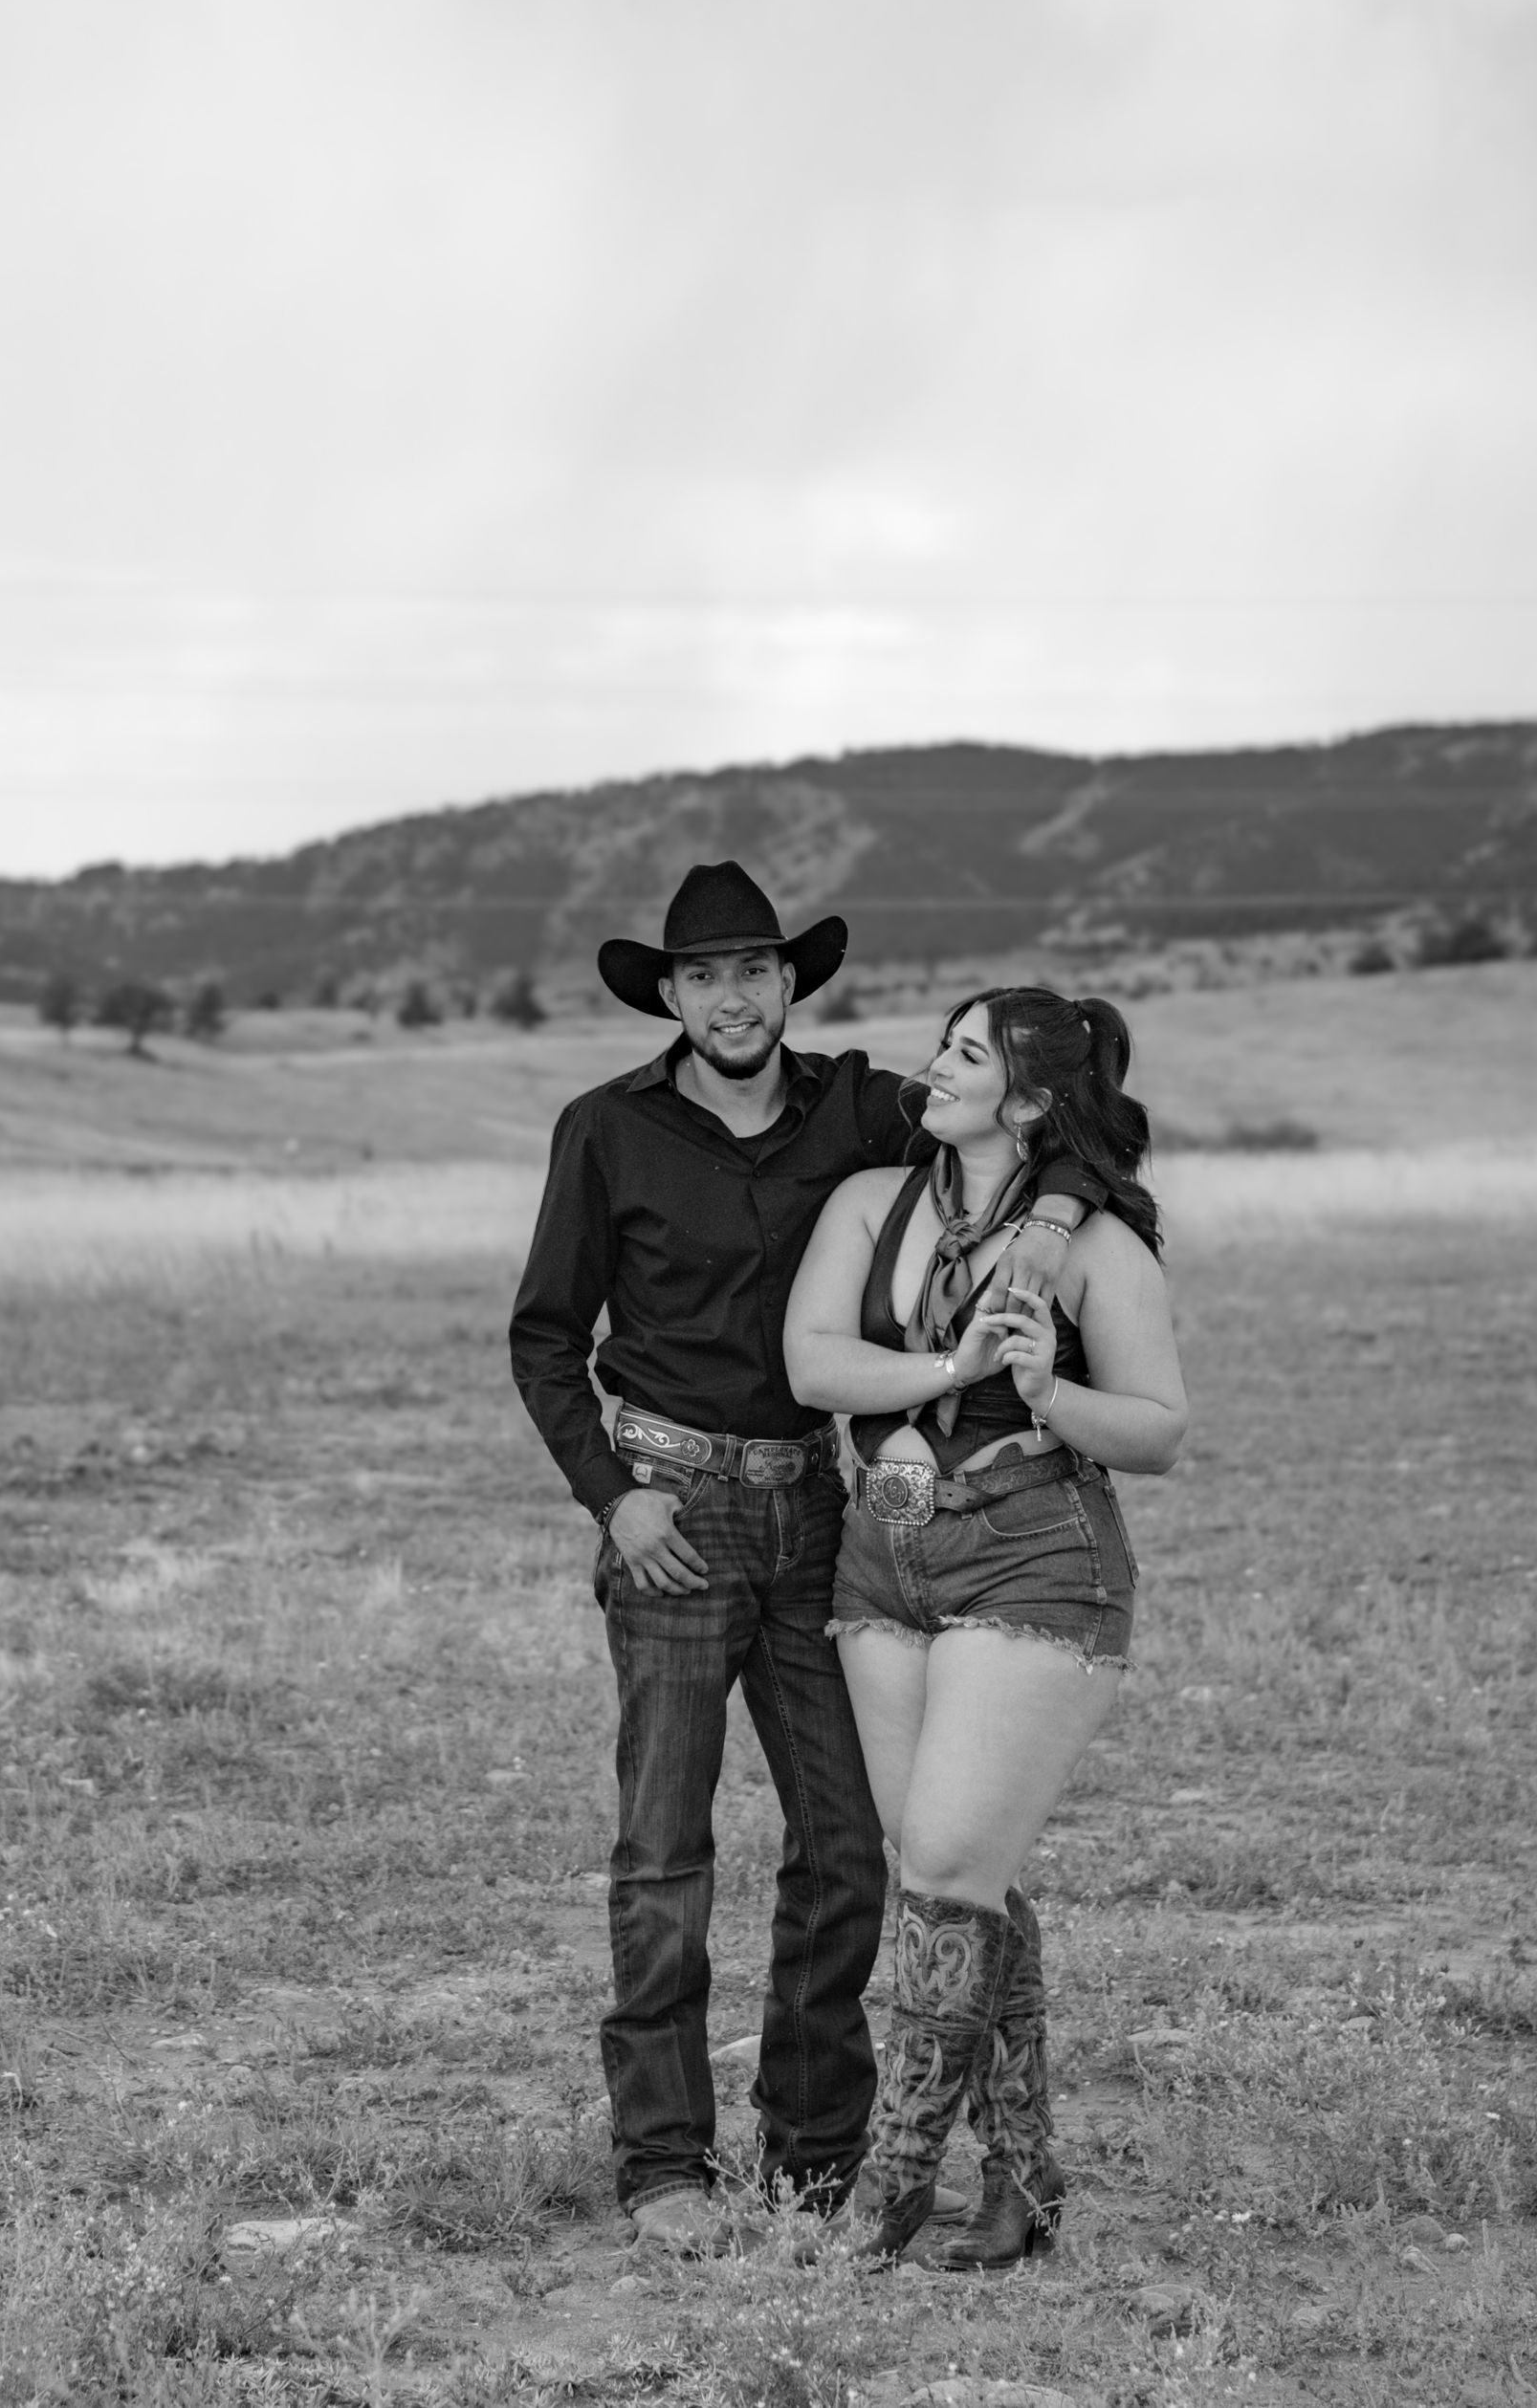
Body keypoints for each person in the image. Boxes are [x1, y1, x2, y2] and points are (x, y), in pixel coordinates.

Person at [509, 866, 1105, 2256]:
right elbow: (545, 1337)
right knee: (665, 1850)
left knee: (844, 1845)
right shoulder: (605, 1130)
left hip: (813, 1515)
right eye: (706, 973)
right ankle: (663, 2161)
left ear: (793, 983)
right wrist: (614, 1497)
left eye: (759, 970)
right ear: (668, 991)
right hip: (670, 1511)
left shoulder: (857, 1105)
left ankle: (815, 2156)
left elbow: (1034, 1120)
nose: (735, 994)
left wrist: (1067, 1215)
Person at [782, 986, 1187, 2267]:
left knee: (947, 1860)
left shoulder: (1092, 1245)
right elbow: (812, 1364)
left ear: (1028, 1100)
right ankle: (1022, 2173)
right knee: (958, 1872)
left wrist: (1044, 1387)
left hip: (1034, 1549)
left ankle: (894, 2183)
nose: (934, 1068)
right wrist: (947, 1373)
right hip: (881, 1549)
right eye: (944, 1044)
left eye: (968, 1055)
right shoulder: (869, 1201)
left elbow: (1161, 1430)